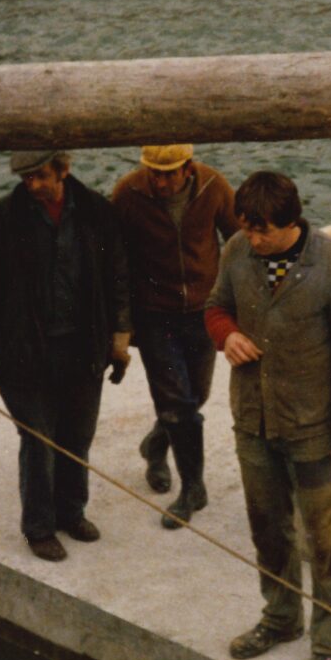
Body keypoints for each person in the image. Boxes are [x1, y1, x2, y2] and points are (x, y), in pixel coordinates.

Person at [205, 170, 331, 660]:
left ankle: (330, 644)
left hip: (313, 428)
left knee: (326, 538)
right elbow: (215, 307)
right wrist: (226, 336)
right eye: (247, 230)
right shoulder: (236, 250)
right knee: (266, 526)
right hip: (253, 421)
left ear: (291, 222)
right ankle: (280, 619)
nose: (253, 241)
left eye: (263, 233)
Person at [0, 151, 131, 562]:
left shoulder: (96, 212)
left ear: (63, 170)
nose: (31, 185)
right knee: (38, 440)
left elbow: (117, 275)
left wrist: (120, 335)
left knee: (77, 436)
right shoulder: (2, 219)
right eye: (26, 178)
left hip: (82, 347)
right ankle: (39, 527)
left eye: (40, 176)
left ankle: (71, 512)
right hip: (23, 352)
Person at [112, 144, 237, 529]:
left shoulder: (214, 186)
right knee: (178, 404)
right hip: (155, 315)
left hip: (204, 310)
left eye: (168, 173)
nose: (160, 181)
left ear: (187, 168)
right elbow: (115, 262)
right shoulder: (127, 194)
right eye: (153, 172)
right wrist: (121, 325)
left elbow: (237, 241)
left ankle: (156, 445)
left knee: (196, 396)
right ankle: (193, 489)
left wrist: (237, 305)